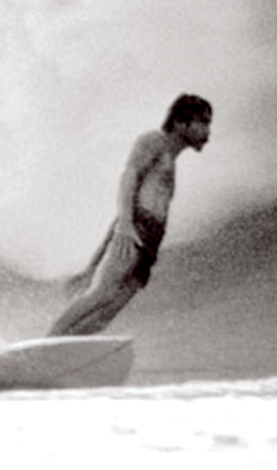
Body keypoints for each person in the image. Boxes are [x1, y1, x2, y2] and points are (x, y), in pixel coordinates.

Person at [48, 94, 213, 337]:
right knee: (101, 295)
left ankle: (63, 349)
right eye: (202, 122)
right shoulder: (154, 141)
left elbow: (123, 216)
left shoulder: (171, 162)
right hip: (137, 229)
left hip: (149, 243)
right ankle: (48, 340)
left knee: (106, 315)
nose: (207, 131)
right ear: (180, 122)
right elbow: (129, 177)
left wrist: (93, 265)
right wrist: (126, 224)